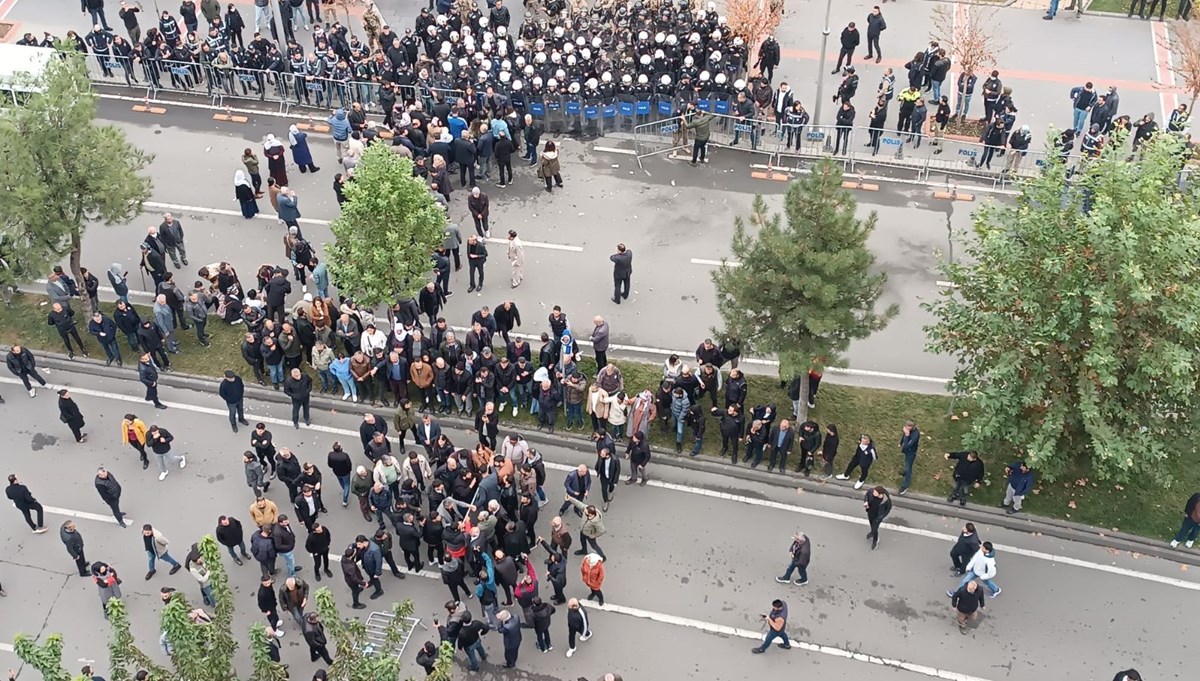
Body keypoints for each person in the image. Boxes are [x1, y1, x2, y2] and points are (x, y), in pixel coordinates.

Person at [864, 485, 891, 551]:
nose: (873, 493)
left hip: (877, 517)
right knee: (871, 524)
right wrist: (866, 501)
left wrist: (882, 516)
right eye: (874, 491)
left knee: (875, 528)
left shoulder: (886, 501)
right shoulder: (871, 491)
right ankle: (872, 532)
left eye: (875, 492)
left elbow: (888, 509)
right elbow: (867, 495)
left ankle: (875, 540)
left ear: (880, 494)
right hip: (870, 513)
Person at [898, 420, 920, 495]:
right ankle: (906, 473)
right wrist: (901, 443)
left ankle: (905, 485)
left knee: (908, 467)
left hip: (911, 452)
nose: (907, 428)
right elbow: (903, 436)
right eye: (906, 426)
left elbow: (908, 445)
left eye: (909, 426)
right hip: (906, 451)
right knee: (907, 464)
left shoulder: (915, 434)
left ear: (912, 426)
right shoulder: (907, 430)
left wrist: (907, 435)